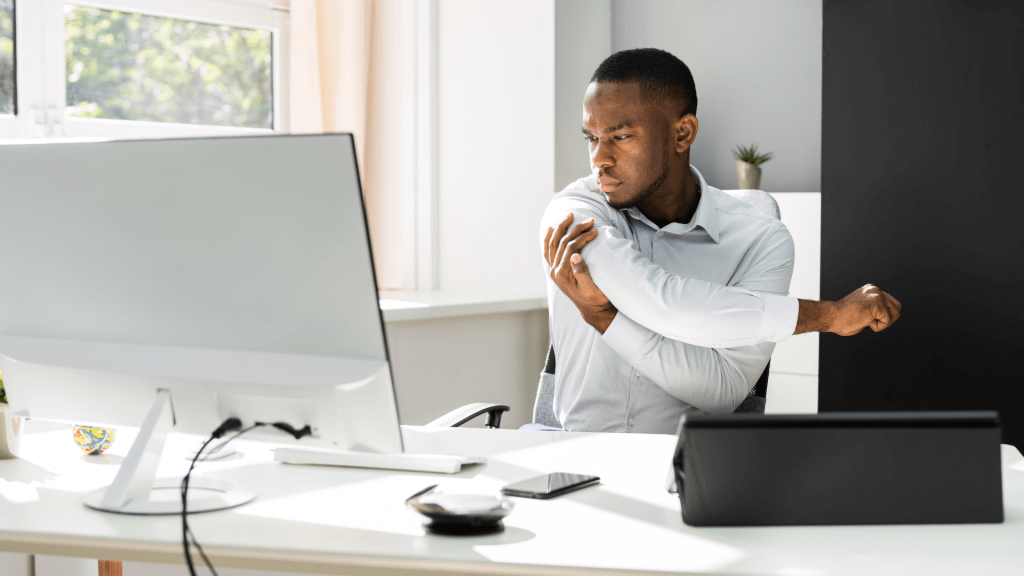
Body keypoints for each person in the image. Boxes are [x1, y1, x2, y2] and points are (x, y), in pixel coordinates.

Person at [540, 48, 901, 433]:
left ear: (683, 133)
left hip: (680, 467)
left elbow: (723, 391)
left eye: (621, 136)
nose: (599, 158)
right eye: (591, 137)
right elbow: (664, 305)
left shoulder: (760, 240)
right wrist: (829, 315)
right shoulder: (574, 212)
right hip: (571, 457)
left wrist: (605, 317)